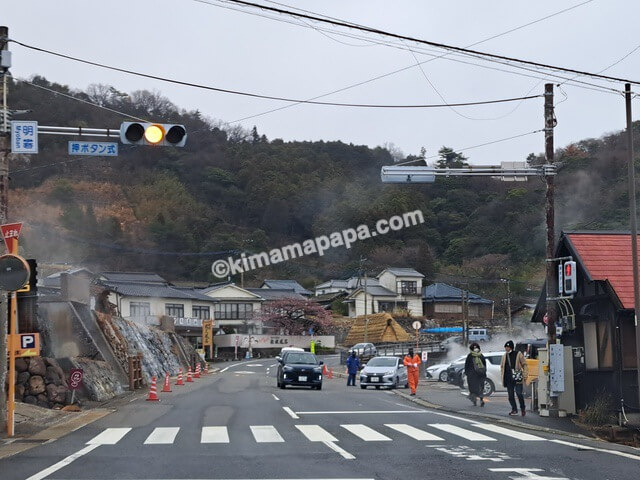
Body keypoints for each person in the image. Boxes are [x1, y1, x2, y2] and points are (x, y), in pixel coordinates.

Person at [501, 340, 529, 416]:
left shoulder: (518, 354)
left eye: (508, 347)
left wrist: (525, 374)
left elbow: (524, 364)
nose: (506, 348)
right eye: (506, 347)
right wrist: (503, 378)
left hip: (517, 378)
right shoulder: (504, 356)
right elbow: (502, 367)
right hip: (508, 379)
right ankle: (514, 409)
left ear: (511, 347)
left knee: (519, 394)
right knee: (510, 396)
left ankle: (522, 408)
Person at [464, 342, 487, 407]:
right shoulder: (481, 355)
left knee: (473, 389)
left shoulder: (470, 356)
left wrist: (467, 373)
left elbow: (466, 365)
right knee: (480, 388)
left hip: (472, 376)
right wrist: (484, 374)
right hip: (481, 375)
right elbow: (484, 365)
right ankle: (481, 399)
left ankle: (474, 401)